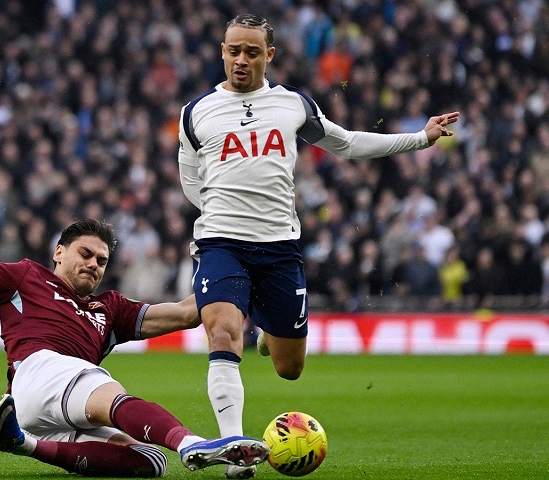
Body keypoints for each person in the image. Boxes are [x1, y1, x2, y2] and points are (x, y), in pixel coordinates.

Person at [177, 13, 459, 478]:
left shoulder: (293, 104)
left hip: (279, 247)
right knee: (222, 333)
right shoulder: (196, 112)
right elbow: (192, 183)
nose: (241, 60)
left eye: (252, 52)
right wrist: (225, 211)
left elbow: (345, 144)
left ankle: (267, 329)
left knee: (289, 368)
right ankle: (234, 448)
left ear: (270, 55)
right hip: (221, 241)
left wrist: (419, 138)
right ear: (222, 52)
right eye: (233, 50)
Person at [0, 218, 269, 477]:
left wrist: (226, 266)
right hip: (40, 371)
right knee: (110, 394)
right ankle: (192, 443)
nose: (94, 265)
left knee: (148, 462)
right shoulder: (25, 277)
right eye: (85, 254)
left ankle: (22, 443)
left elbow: (189, 312)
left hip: (39, 411)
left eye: (102, 261)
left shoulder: (110, 308)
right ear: (59, 252)